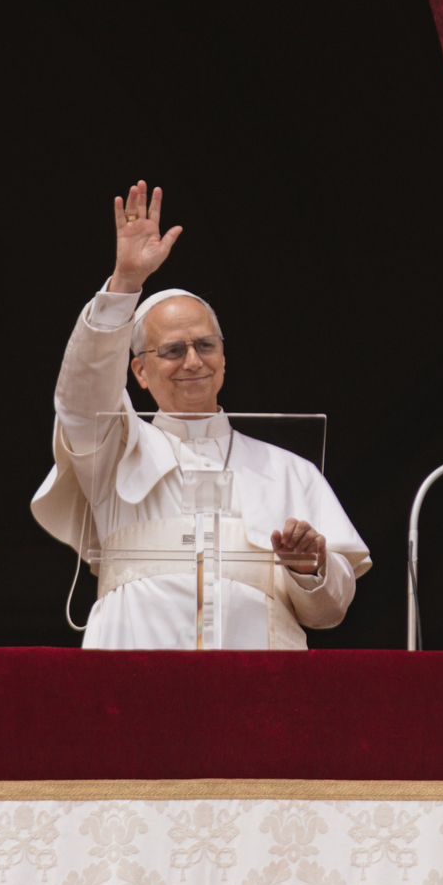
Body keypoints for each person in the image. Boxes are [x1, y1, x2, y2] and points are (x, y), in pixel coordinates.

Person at [31, 180, 371, 649]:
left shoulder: (290, 471)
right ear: (140, 371)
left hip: (258, 676)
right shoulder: (114, 450)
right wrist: (125, 284)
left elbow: (330, 612)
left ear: (224, 358)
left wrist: (310, 567)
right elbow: (81, 394)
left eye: (205, 346)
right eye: (173, 350)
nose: (193, 362)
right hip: (136, 671)